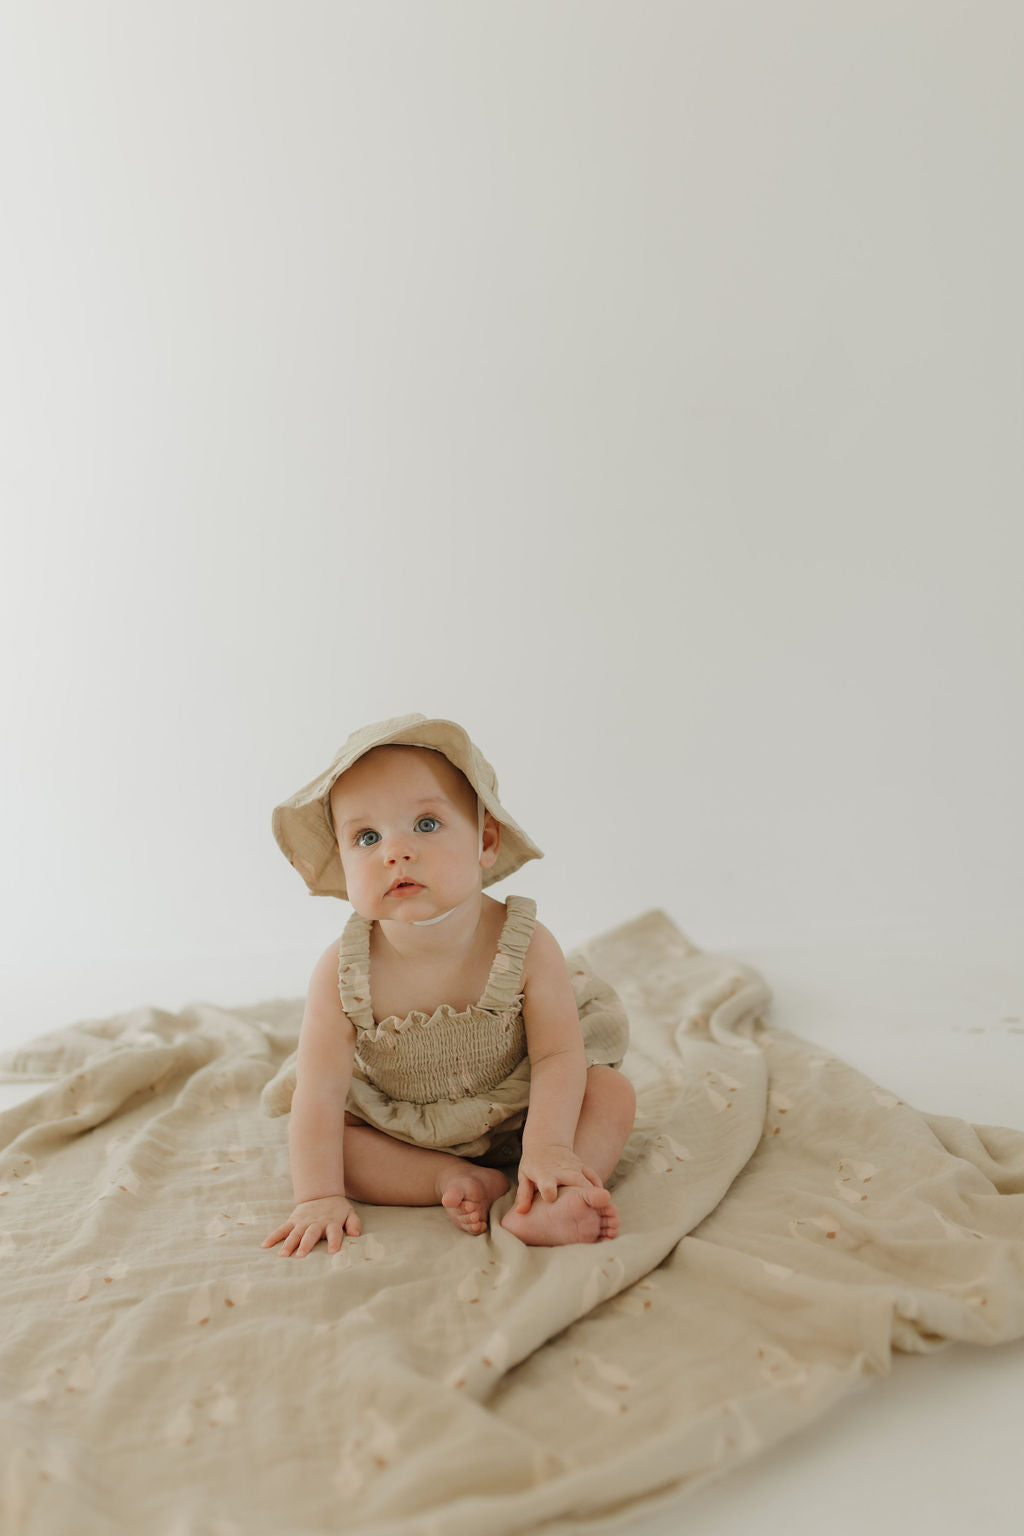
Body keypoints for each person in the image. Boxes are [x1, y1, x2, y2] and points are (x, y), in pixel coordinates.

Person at [261, 713, 636, 1258]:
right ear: (342, 865)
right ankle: (445, 1178)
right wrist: (317, 1197)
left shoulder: (524, 944)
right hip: (402, 1129)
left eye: (427, 824)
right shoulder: (341, 973)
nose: (396, 852)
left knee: (610, 1093)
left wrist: (551, 1146)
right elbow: (318, 1093)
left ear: (485, 841)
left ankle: (557, 1192)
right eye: (367, 837)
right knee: (327, 1144)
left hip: (526, 1109)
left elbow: (558, 1054)